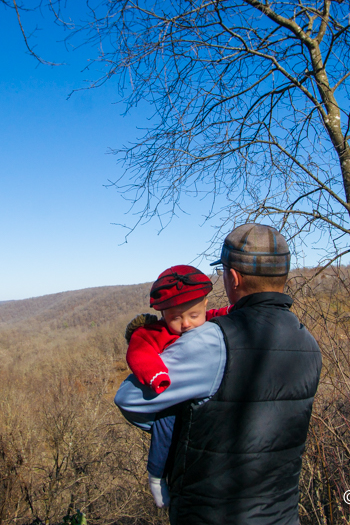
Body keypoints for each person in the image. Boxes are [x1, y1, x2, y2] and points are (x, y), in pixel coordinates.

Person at [114, 224, 322, 525]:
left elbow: (130, 399)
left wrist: (181, 426)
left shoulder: (212, 341)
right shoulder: (308, 344)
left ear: (233, 277)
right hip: (283, 515)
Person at [124, 265, 231, 507]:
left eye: (193, 316)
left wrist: (236, 311)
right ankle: (157, 475)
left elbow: (220, 314)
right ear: (163, 316)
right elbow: (139, 349)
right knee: (166, 428)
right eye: (175, 318)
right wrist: (156, 375)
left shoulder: (209, 319)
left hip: (203, 403)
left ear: (204, 304)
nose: (185, 324)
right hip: (169, 395)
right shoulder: (157, 333)